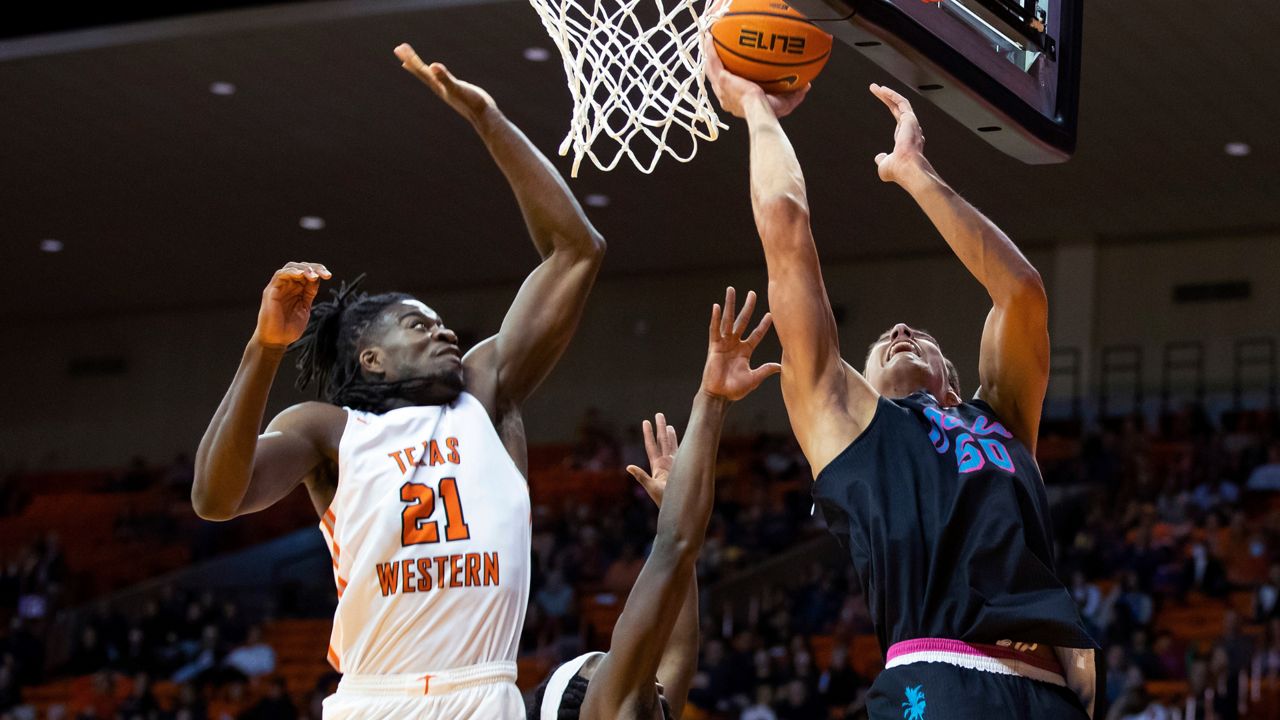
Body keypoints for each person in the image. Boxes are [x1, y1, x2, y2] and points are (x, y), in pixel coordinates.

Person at [191, 42, 605, 718]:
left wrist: (488, 118)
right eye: (419, 326)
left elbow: (577, 251)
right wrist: (263, 350)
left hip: (484, 692)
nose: (444, 333)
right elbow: (215, 497)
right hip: (374, 699)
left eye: (442, 325)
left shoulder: (485, 393)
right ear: (371, 360)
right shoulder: (326, 430)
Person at [702, 30, 1098, 719]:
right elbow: (787, 233)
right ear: (862, 375)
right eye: (884, 339)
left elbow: (1022, 293)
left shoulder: (1000, 418)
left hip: (1049, 693)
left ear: (955, 373)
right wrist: (756, 108)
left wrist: (916, 173)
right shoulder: (843, 417)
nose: (900, 332)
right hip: (939, 677)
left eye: (919, 336)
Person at [530, 287, 780, 719]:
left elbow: (678, 643)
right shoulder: (618, 711)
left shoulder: (647, 706)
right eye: (606, 667)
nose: (644, 672)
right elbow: (675, 547)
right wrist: (712, 399)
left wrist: (674, 509)